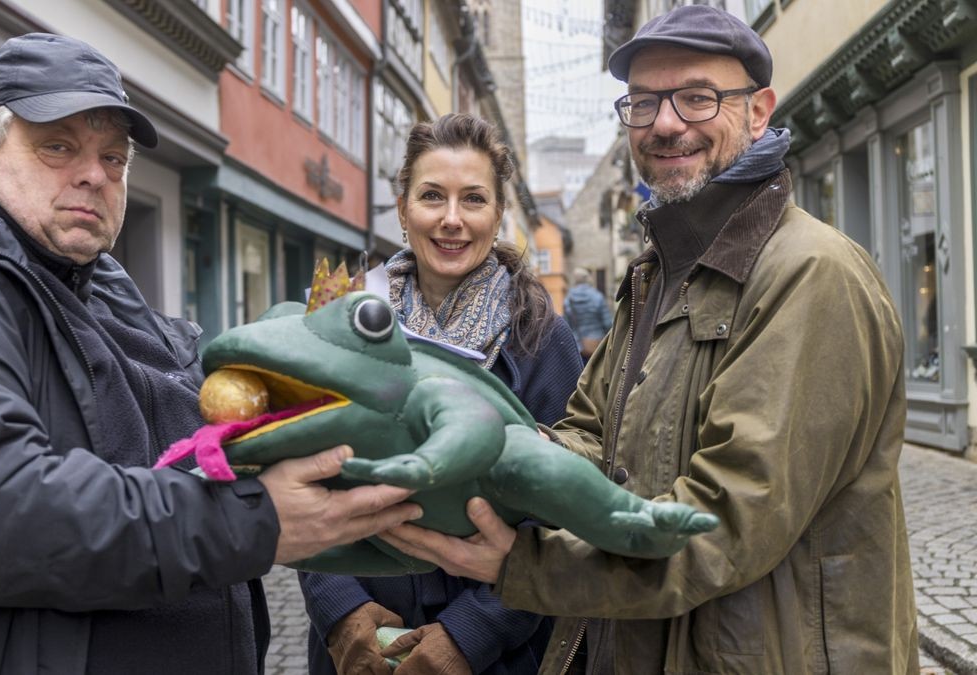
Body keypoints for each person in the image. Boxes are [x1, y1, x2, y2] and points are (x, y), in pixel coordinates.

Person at [0, 33, 421, 674]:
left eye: (113, 158)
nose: (94, 174)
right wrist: (255, 522)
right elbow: (4, 522)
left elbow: (217, 444)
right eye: (57, 146)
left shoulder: (110, 294)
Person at [378, 6, 919, 674]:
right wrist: (481, 449)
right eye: (644, 102)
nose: (666, 123)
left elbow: (721, 523)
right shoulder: (661, 274)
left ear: (758, 111)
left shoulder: (811, 275)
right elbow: (585, 438)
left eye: (698, 97)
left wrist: (526, 563)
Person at [299, 113, 584, 675]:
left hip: (497, 654)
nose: (452, 220)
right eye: (432, 196)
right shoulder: (340, 316)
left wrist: (469, 635)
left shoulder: (543, 340)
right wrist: (341, 612)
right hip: (359, 650)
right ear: (403, 207)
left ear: (498, 215)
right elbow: (301, 471)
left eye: (473, 199)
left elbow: (560, 516)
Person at [562, 267, 612, 359]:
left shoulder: (568, 299)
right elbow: (607, 323)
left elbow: (567, 325)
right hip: (598, 345)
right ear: (587, 279)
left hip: (578, 347)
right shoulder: (597, 297)